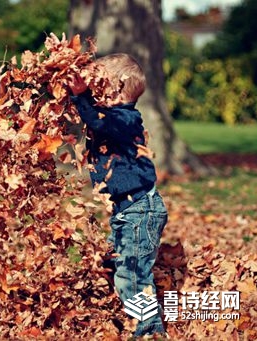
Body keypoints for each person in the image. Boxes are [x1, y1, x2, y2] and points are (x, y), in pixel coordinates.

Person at [71, 53, 168, 337]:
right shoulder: (112, 117)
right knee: (116, 261)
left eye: (96, 86)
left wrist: (81, 98)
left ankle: (150, 328)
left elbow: (98, 121)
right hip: (127, 212)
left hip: (140, 211)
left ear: (113, 89)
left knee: (132, 276)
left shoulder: (125, 119)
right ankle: (125, 311)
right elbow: (94, 118)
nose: (91, 92)